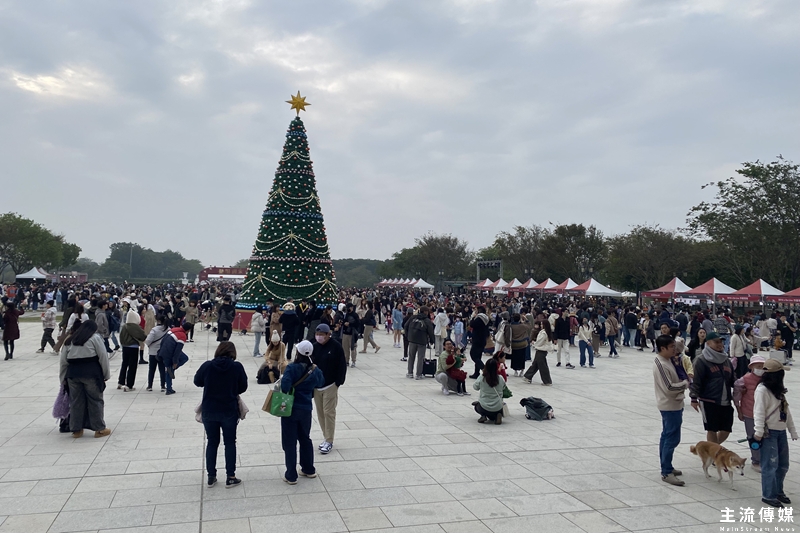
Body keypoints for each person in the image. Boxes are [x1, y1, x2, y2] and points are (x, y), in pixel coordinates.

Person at [193, 341, 248, 489]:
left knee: (212, 442)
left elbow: (197, 381)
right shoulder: (237, 367)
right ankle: (231, 476)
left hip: (210, 410)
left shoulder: (208, 366)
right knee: (230, 442)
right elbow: (243, 386)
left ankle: (211, 476)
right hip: (229, 410)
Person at [753, 358, 798, 508]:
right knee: (770, 464)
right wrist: (758, 432)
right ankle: (768, 495)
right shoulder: (762, 390)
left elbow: (786, 411)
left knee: (783, 464)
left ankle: (778, 491)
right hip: (769, 433)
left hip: (781, 432)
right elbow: (758, 412)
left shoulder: (778, 391)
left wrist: (792, 430)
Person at [280, 340, 325, 484]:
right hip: (306, 408)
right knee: (305, 437)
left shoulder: (291, 368)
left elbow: (285, 387)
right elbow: (321, 382)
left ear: (298, 352)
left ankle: (291, 475)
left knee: (290, 441)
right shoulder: (315, 369)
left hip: (290, 409)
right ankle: (308, 468)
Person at [59, 320, 112, 438]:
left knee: (76, 402)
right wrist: (106, 374)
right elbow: (103, 356)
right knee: (95, 400)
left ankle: (76, 429)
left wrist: (62, 378)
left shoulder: (70, 340)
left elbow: (63, 362)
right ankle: (99, 429)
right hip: (91, 373)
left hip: (73, 374)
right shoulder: (95, 338)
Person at [652, 334, 689, 486]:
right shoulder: (660, 363)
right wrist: (685, 383)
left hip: (675, 404)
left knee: (667, 436)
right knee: (671, 438)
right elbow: (668, 387)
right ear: (662, 348)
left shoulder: (668, 360)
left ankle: (667, 466)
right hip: (669, 405)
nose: (675, 349)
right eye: (672, 347)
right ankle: (666, 471)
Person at [689, 332, 735, 444]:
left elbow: (733, 379)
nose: (720, 345)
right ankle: (715, 454)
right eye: (716, 342)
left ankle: (711, 449)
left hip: (726, 401)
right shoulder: (701, 360)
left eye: (721, 342)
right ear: (708, 343)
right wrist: (694, 398)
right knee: (712, 429)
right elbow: (696, 381)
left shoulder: (726, 360)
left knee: (726, 429)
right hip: (708, 400)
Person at [311, 324, 347, 455]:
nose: (319, 337)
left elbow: (342, 364)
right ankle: (325, 436)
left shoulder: (336, 346)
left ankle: (329, 440)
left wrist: (338, 382)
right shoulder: (314, 347)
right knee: (320, 413)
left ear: (328, 334)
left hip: (330, 385)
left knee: (328, 412)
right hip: (317, 386)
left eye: (322, 335)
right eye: (318, 334)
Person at [733, 354, 766, 473]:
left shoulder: (768, 379)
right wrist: (739, 411)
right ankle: (756, 460)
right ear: (751, 367)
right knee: (753, 437)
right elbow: (736, 396)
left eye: (762, 366)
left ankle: (765, 458)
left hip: (765, 414)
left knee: (766, 437)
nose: (760, 368)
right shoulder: (744, 380)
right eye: (757, 366)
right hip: (749, 412)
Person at [158, 322, 192, 395]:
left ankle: (171, 370)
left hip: (164, 350)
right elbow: (177, 351)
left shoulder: (174, 329)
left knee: (183, 359)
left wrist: (161, 350)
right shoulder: (182, 336)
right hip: (170, 352)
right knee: (181, 361)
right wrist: (175, 362)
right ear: (188, 330)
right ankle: (169, 389)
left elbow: (163, 340)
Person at [118, 310, 146, 391]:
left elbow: (121, 337)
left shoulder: (124, 326)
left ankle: (121, 382)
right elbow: (142, 336)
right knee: (132, 366)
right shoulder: (135, 327)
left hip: (125, 347)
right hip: (133, 347)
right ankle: (129, 385)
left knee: (124, 364)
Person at [472, 358, 506, 425]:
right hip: (498, 406)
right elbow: (504, 387)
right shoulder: (500, 378)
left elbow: (475, 387)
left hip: (484, 406)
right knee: (496, 409)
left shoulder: (482, 378)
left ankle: (483, 415)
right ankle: (497, 415)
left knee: (476, 406)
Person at [404, 306, 435, 380]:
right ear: (425, 312)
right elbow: (430, 331)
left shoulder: (413, 317)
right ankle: (418, 374)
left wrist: (408, 336)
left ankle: (410, 373)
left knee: (411, 357)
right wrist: (432, 340)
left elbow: (405, 326)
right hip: (422, 341)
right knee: (420, 358)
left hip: (412, 340)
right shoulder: (427, 320)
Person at [523, 321, 553, 385]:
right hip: (542, 350)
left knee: (542, 366)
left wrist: (534, 344)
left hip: (541, 350)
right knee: (536, 364)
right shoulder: (547, 332)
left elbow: (540, 342)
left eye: (542, 324)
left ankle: (547, 381)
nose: (541, 325)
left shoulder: (543, 333)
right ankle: (528, 377)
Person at [144, 314, 169, 392]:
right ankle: (163, 386)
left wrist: (148, 345)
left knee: (151, 369)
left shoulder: (154, 330)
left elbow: (148, 340)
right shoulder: (168, 329)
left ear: (158, 320)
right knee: (162, 369)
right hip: (163, 352)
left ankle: (150, 386)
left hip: (153, 352)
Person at [469, 306, 490, 378]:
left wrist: (473, 317)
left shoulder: (479, 318)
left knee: (473, 355)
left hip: (477, 339)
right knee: (478, 356)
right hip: (482, 339)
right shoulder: (486, 318)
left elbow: (472, 324)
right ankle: (476, 373)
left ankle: (485, 369)